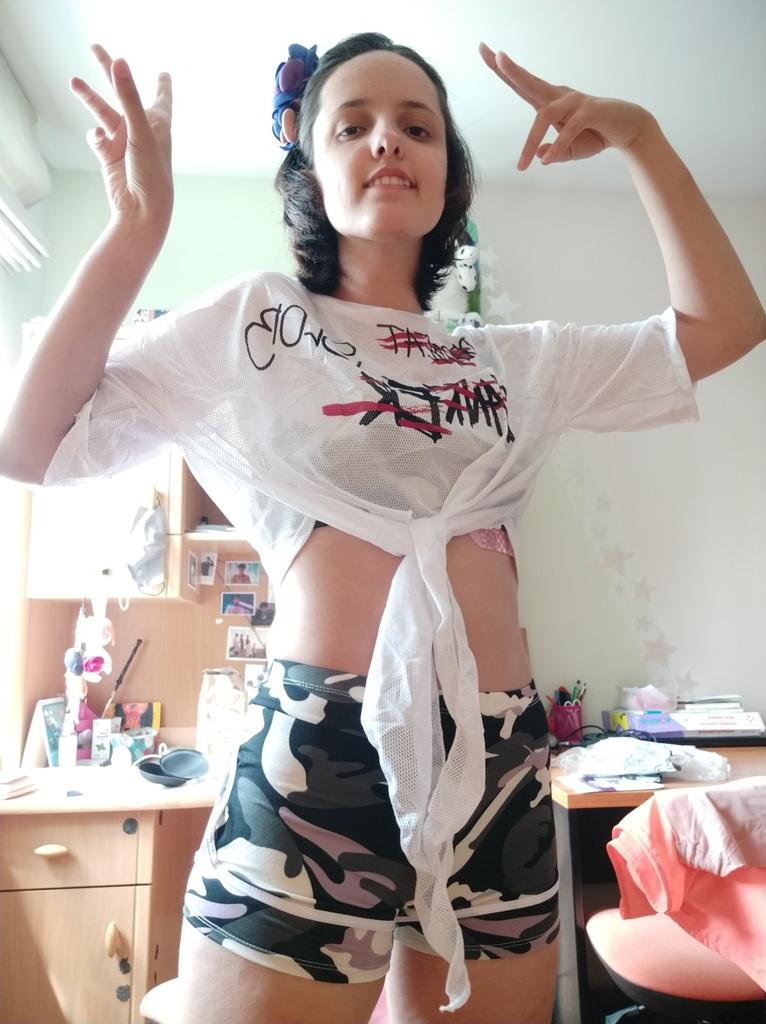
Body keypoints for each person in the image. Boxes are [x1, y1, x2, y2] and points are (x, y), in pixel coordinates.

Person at [1, 30, 763, 1024]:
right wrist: (137, 229)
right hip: (317, 755)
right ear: (311, 172)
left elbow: (724, 325)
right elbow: (31, 444)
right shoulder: (255, 322)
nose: (386, 142)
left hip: (497, 761)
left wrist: (642, 137)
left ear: (450, 174)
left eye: (417, 126)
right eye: (351, 126)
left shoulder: (513, 359)